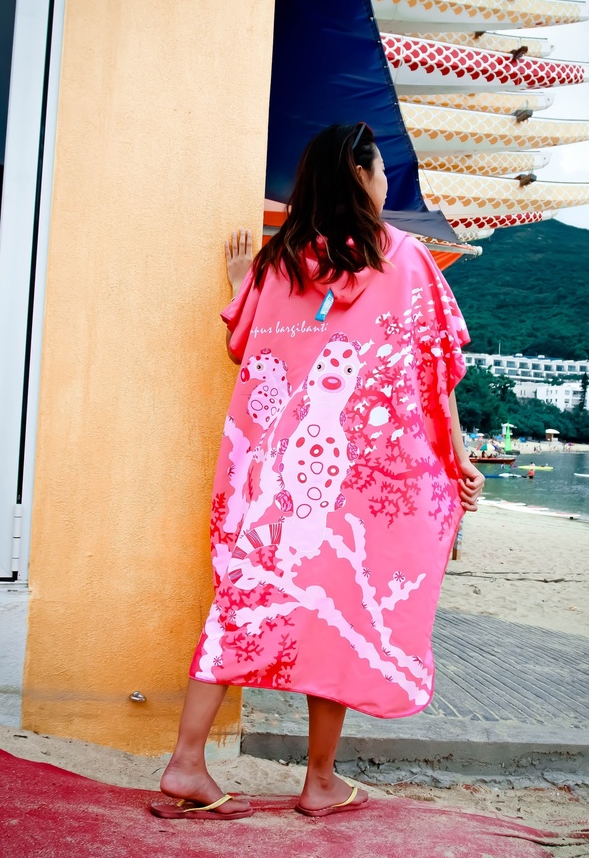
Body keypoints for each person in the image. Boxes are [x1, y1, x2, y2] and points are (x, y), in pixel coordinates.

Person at [153, 122, 484, 821]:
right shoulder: (405, 258)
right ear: (361, 176)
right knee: (343, 613)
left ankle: (186, 763)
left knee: (240, 604)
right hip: (358, 482)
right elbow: (435, 371)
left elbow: (247, 350)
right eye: (382, 169)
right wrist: (457, 457)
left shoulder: (277, 266)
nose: (387, 181)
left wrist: (244, 280)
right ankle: (320, 781)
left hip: (271, 479)